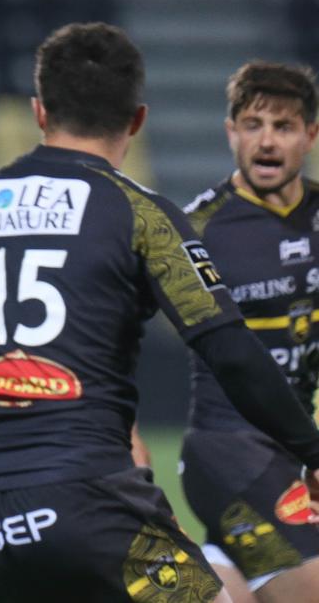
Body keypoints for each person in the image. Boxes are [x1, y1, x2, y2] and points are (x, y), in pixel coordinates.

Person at [0, 22, 319, 603]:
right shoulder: (142, 213)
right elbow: (231, 353)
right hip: (90, 505)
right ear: (137, 119)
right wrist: (312, 452)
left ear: (39, 111)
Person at [181, 61, 319, 603]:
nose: (266, 141)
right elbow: (114, 329)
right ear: (230, 132)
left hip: (294, 457)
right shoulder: (197, 229)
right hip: (228, 454)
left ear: (311, 135)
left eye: (283, 127)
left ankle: (212, 572)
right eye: (253, 124)